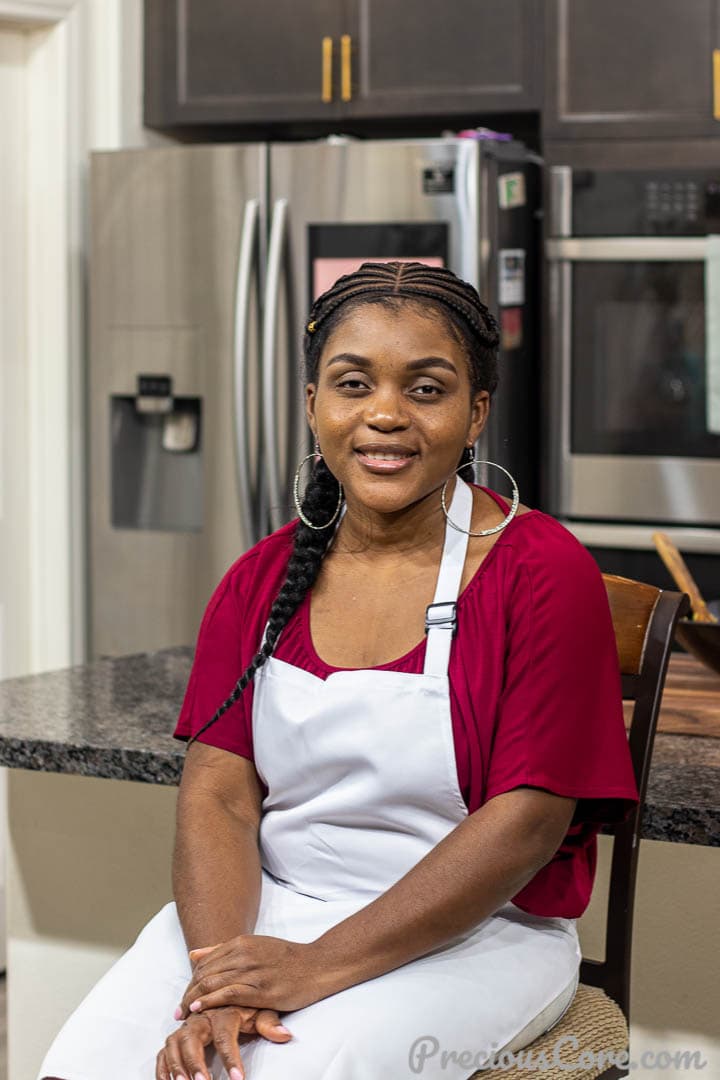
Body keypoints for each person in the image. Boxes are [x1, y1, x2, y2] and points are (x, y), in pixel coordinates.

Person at [39, 262, 639, 1080]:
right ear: (313, 403)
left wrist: (314, 967)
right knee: (90, 1062)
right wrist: (224, 975)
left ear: (476, 416)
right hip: (266, 909)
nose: (385, 414)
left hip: (477, 934)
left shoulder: (541, 570)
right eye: (352, 383)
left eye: (427, 389)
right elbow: (218, 793)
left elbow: (529, 822)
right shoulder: (261, 579)